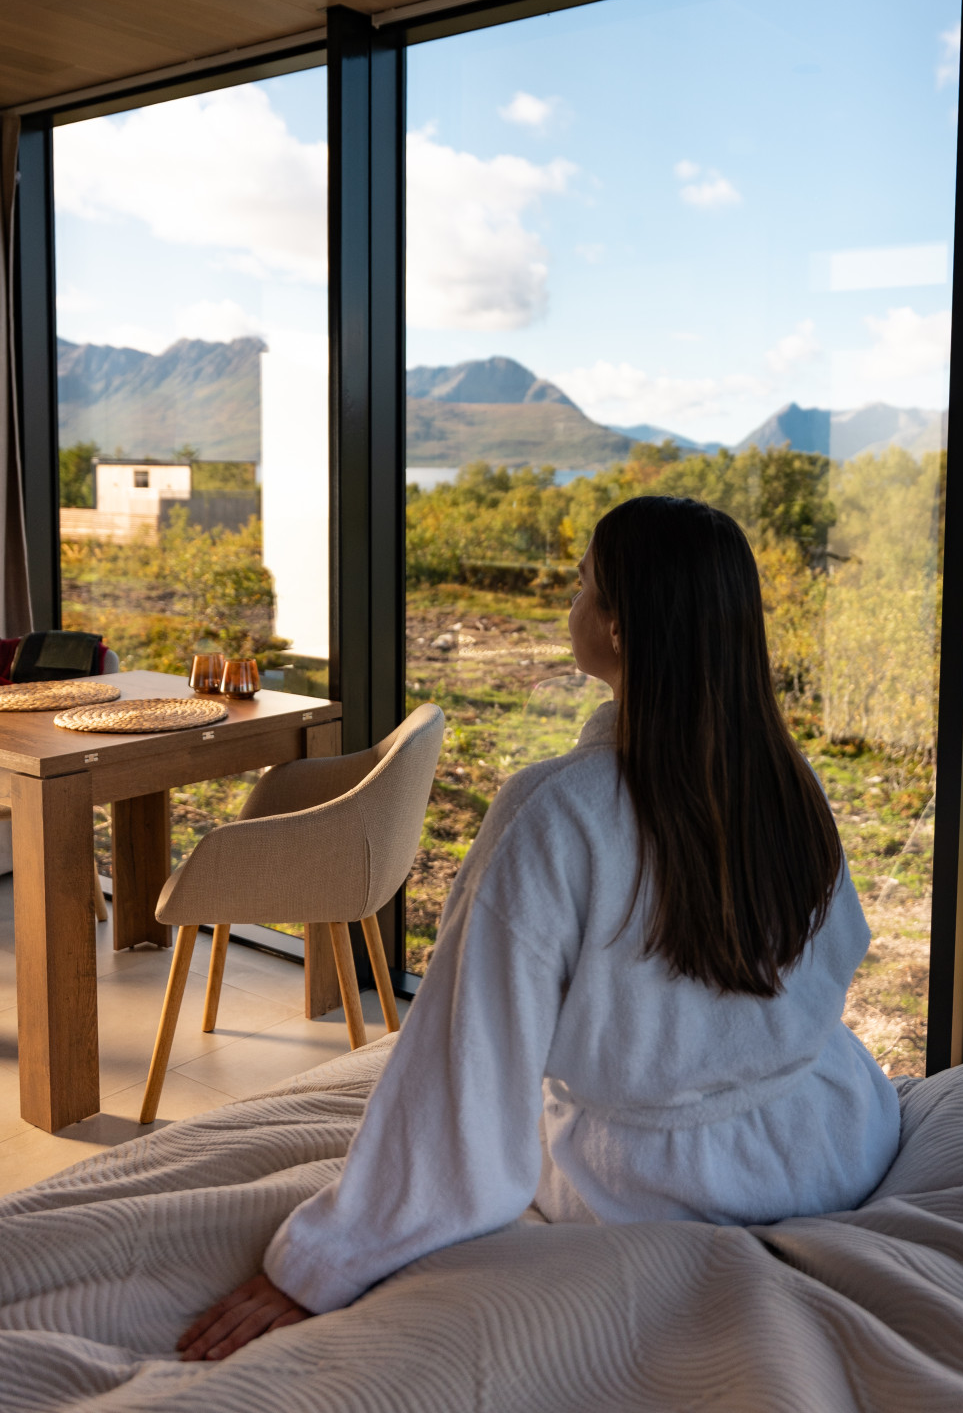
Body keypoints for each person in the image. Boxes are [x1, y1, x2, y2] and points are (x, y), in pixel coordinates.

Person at [178, 496, 900, 1361]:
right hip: (833, 1138)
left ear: (619, 626)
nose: (571, 602)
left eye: (582, 584)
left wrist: (324, 1260)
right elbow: (840, 952)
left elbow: (465, 1059)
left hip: (660, 1190)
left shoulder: (559, 811)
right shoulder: (787, 782)